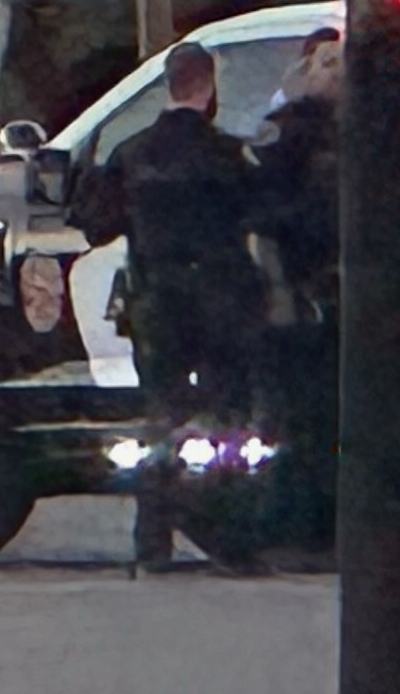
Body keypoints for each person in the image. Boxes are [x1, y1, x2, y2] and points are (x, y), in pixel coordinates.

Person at [68, 42, 266, 571]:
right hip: (222, 302)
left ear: (169, 85)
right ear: (209, 86)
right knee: (227, 419)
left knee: (161, 417)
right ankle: (233, 542)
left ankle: (152, 542)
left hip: (157, 300)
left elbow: (95, 225)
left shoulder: (131, 153)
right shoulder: (227, 155)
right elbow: (264, 214)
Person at [244, 30, 345, 572]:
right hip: (297, 298)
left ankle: (333, 533)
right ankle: (289, 534)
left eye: (343, 63)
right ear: (305, 73)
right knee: (295, 420)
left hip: (347, 298)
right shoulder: (284, 133)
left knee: (337, 422)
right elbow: (261, 217)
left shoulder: (366, 130)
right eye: (327, 63)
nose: (337, 72)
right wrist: (281, 294)